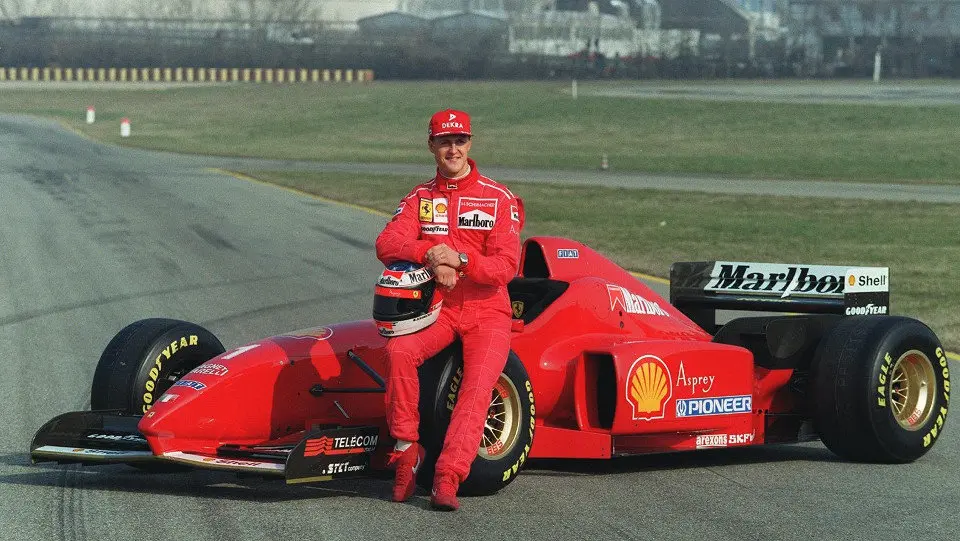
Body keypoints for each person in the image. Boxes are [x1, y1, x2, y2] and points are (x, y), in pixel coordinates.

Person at [374, 109, 524, 511]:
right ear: (431, 146)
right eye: (444, 141)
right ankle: (407, 453)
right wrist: (429, 253)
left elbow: (506, 268)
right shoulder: (420, 197)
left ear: (470, 143)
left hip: (488, 312)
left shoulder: (498, 197)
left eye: (459, 140)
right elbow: (386, 244)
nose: (452, 148)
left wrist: (459, 259)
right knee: (398, 351)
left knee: (477, 389)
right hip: (437, 310)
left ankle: (448, 475)